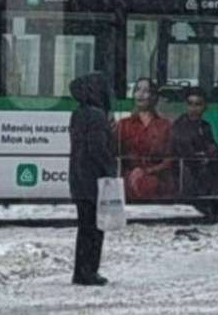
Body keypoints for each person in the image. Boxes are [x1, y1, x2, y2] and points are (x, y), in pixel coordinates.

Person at [68, 72, 117, 287]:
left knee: (84, 228)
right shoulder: (97, 116)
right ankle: (89, 272)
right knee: (95, 229)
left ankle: (81, 271)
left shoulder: (78, 113)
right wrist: (110, 172)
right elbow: (99, 149)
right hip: (94, 180)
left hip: (79, 178)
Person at [114, 78, 174, 199]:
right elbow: (115, 155)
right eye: (137, 90)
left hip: (157, 180)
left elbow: (170, 159)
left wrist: (147, 171)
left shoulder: (165, 125)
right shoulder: (123, 124)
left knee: (150, 185)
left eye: (145, 91)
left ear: (153, 96)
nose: (140, 94)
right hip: (129, 181)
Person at [169, 87, 218, 199]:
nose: (193, 108)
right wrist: (203, 156)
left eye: (198, 104)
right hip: (187, 173)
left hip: (205, 173)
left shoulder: (205, 126)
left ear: (205, 107)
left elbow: (215, 149)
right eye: (190, 104)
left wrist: (207, 156)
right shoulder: (180, 125)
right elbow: (184, 152)